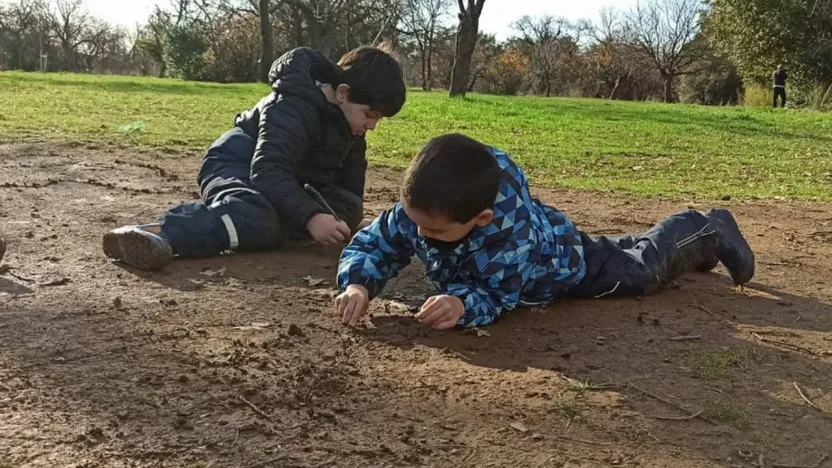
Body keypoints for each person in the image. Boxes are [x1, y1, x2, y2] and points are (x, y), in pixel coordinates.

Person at [335, 134, 755, 330]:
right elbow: (377, 242)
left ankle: (704, 228)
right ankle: (696, 249)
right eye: (414, 221)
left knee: (641, 271)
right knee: (619, 251)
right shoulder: (425, 209)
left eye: (433, 230)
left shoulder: (508, 239)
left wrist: (462, 305)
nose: (419, 234)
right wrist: (358, 284)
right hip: (548, 242)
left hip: (564, 268)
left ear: (481, 219)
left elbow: (499, 295)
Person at [102, 45, 406, 271]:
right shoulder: (292, 105)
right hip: (236, 163)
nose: (372, 125)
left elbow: (349, 194)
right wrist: (312, 217)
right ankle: (157, 233)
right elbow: (269, 170)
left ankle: (271, 225)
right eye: (370, 115)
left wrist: (345, 219)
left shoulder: (353, 130)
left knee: (345, 211)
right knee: (258, 219)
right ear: (342, 93)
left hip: (284, 178)